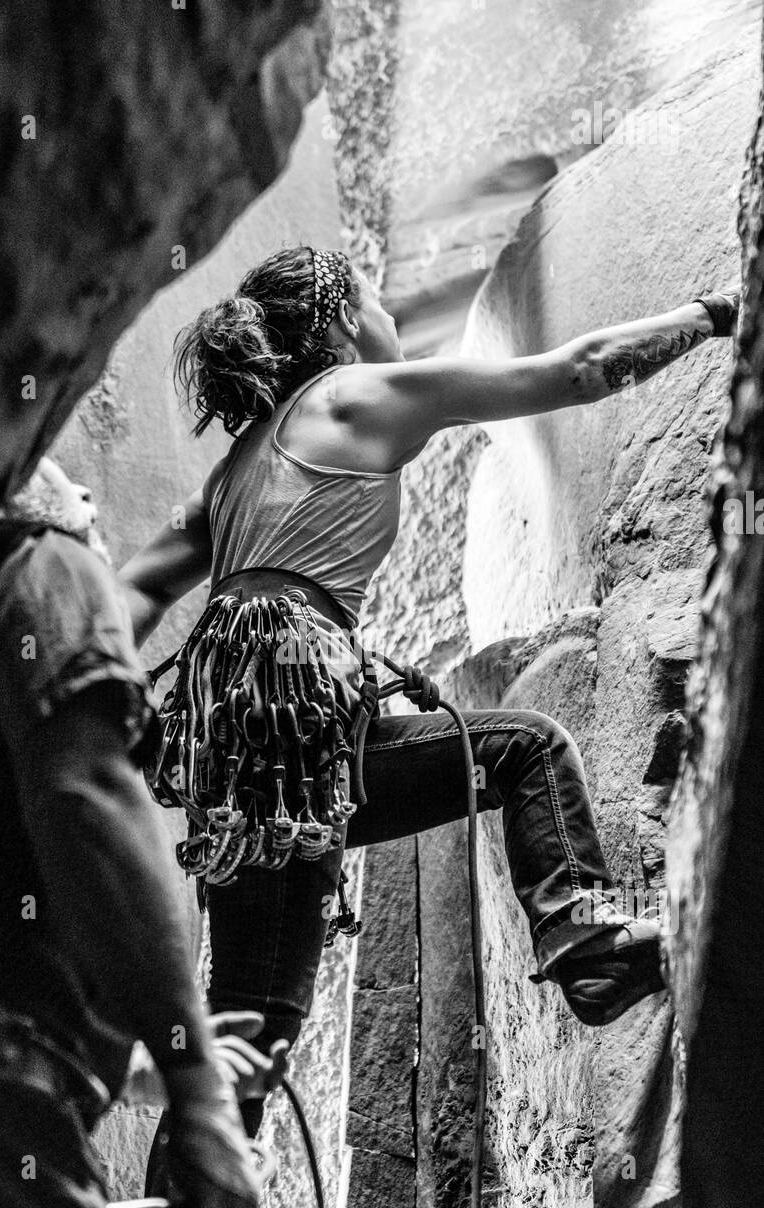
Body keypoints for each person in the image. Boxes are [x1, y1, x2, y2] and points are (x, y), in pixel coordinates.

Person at [118, 246, 739, 1135]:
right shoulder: (356, 394)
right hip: (299, 734)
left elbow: (133, 589)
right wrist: (718, 312)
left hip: (250, 770)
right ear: (338, 316)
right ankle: (584, 941)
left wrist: (86, 700)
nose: (391, 321)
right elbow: (583, 367)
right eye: (374, 299)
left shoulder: (231, 473)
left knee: (249, 1033)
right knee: (525, 747)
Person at [0, 457, 267, 1208]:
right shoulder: (33, 562)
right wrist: (199, 1092)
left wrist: (143, 1057)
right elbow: (86, 794)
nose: (93, 499)